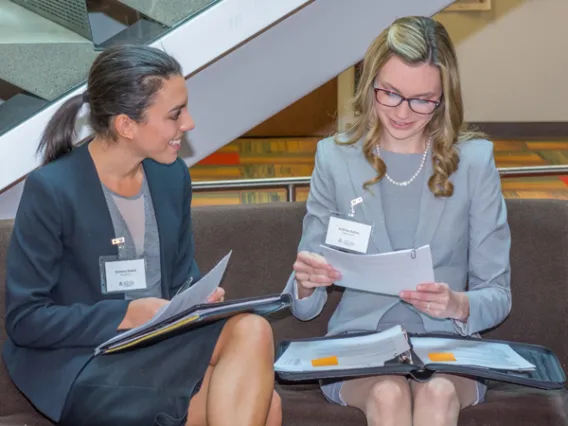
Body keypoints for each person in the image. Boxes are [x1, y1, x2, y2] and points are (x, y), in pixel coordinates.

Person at [3, 45, 281, 426]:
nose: (189, 124)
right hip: (90, 364)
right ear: (126, 125)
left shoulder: (172, 177)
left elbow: (182, 274)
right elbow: (26, 319)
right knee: (268, 407)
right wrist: (127, 314)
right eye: (175, 114)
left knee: (253, 327)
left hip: (160, 345)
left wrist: (196, 300)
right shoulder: (52, 189)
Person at [283, 16, 511, 426]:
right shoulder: (335, 158)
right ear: (369, 84)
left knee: (437, 393)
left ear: (445, 98)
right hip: (360, 342)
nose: (404, 113)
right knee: (387, 393)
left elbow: (497, 293)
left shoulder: (475, 162)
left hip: (447, 344)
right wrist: (305, 281)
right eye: (390, 94)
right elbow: (304, 306)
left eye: (423, 100)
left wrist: (458, 304)